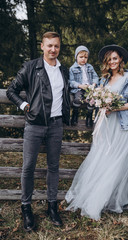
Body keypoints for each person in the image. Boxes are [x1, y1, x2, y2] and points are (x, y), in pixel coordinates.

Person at [65, 44, 128, 221]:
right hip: (105, 125)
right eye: (109, 59)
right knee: (103, 157)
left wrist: (114, 107)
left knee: (119, 160)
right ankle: (101, 196)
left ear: (120, 60)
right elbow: (97, 98)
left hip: (121, 125)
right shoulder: (104, 80)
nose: (112, 62)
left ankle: (117, 197)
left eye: (115, 58)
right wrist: (100, 104)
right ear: (106, 62)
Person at [6, 32, 70, 231]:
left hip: (56, 125)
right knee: (28, 167)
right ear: (42, 46)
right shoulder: (31, 67)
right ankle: (26, 208)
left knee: (53, 167)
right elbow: (11, 90)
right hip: (34, 124)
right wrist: (25, 106)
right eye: (49, 45)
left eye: (56, 46)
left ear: (59, 48)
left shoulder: (64, 70)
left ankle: (52, 207)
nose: (53, 49)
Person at [70, 45, 99, 127]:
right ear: (76, 57)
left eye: (85, 57)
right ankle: (75, 114)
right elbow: (71, 81)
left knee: (92, 100)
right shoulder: (72, 68)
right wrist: (79, 85)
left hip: (89, 88)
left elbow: (96, 77)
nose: (83, 59)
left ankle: (89, 116)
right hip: (79, 88)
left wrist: (93, 84)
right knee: (77, 99)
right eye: (81, 57)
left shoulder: (90, 67)